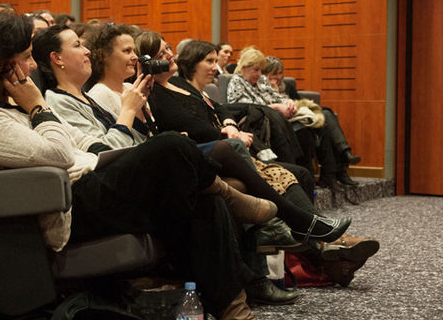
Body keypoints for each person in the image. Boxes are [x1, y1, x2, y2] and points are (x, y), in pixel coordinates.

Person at [0, 11, 303, 320]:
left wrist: (125, 159)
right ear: (0, 65)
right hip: (66, 211)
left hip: (89, 184)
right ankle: (228, 194)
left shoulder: (13, 107)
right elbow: (60, 154)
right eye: (26, 57)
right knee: (170, 145)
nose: (32, 68)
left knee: (199, 199)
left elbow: (83, 151)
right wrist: (38, 105)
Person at [33, 26, 353, 302]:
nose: (85, 49)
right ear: (57, 58)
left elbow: (137, 143)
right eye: (78, 45)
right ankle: (288, 241)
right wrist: (132, 112)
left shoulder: (107, 96)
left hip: (145, 170)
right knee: (224, 162)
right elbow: (108, 155)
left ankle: (286, 260)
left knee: (281, 173)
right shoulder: (71, 101)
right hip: (110, 188)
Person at [146, 37, 378, 287]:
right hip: (207, 155)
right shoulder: (158, 92)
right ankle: (325, 241)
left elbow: (219, 109)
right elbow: (194, 127)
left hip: (225, 147)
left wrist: (229, 123)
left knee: (299, 173)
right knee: (277, 170)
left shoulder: (180, 84)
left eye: (169, 48)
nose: (170, 54)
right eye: (162, 52)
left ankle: (323, 250)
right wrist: (226, 132)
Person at [265, 55, 362, 181]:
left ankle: (334, 171)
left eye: (280, 73)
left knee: (326, 115)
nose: (278, 77)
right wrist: (275, 92)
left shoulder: (287, 85)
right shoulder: (262, 87)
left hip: (299, 116)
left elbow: (299, 102)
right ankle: (340, 161)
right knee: (326, 116)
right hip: (286, 122)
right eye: (274, 74)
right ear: (265, 73)